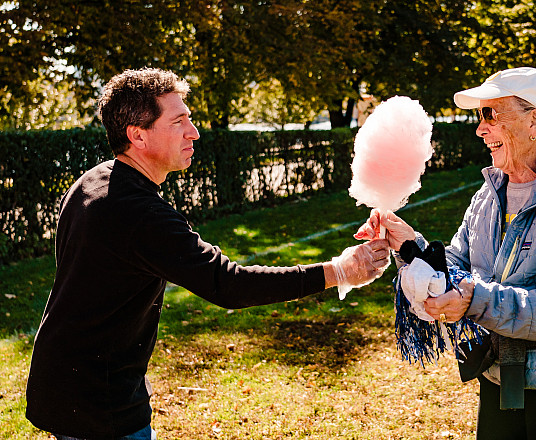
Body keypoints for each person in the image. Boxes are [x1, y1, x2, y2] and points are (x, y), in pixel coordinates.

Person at [25, 68, 390, 440]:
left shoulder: (94, 180)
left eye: (190, 118)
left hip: (63, 383)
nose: (193, 131)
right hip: (100, 406)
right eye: (178, 121)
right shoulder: (138, 212)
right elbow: (227, 284)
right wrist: (340, 272)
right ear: (138, 135)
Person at [356, 67, 536, 440]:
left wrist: (473, 299)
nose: (481, 129)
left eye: (491, 114)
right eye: (480, 116)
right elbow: (456, 266)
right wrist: (409, 244)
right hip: (500, 377)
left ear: (534, 121)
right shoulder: (487, 195)